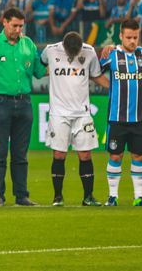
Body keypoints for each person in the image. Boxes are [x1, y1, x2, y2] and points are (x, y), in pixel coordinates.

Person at [0, 7, 45, 207]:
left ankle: (21, 196)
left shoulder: (28, 44)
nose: (18, 30)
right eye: (14, 25)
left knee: (21, 154)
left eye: (21, 26)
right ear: (4, 22)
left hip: (24, 102)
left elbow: (40, 71)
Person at [41, 32, 109, 207]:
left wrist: (116, 88)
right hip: (59, 113)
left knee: (85, 155)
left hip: (82, 113)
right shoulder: (50, 50)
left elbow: (96, 74)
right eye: (70, 52)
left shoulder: (89, 51)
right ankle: (57, 197)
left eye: (76, 52)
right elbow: (39, 66)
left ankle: (88, 197)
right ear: (63, 46)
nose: (73, 55)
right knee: (59, 154)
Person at [100, 19, 142, 207]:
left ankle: (139, 197)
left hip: (140, 118)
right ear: (121, 36)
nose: (132, 41)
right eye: (129, 37)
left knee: (139, 156)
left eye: (135, 37)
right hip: (117, 118)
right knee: (115, 156)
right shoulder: (111, 55)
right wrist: (111, 86)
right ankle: (112, 197)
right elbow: (94, 72)